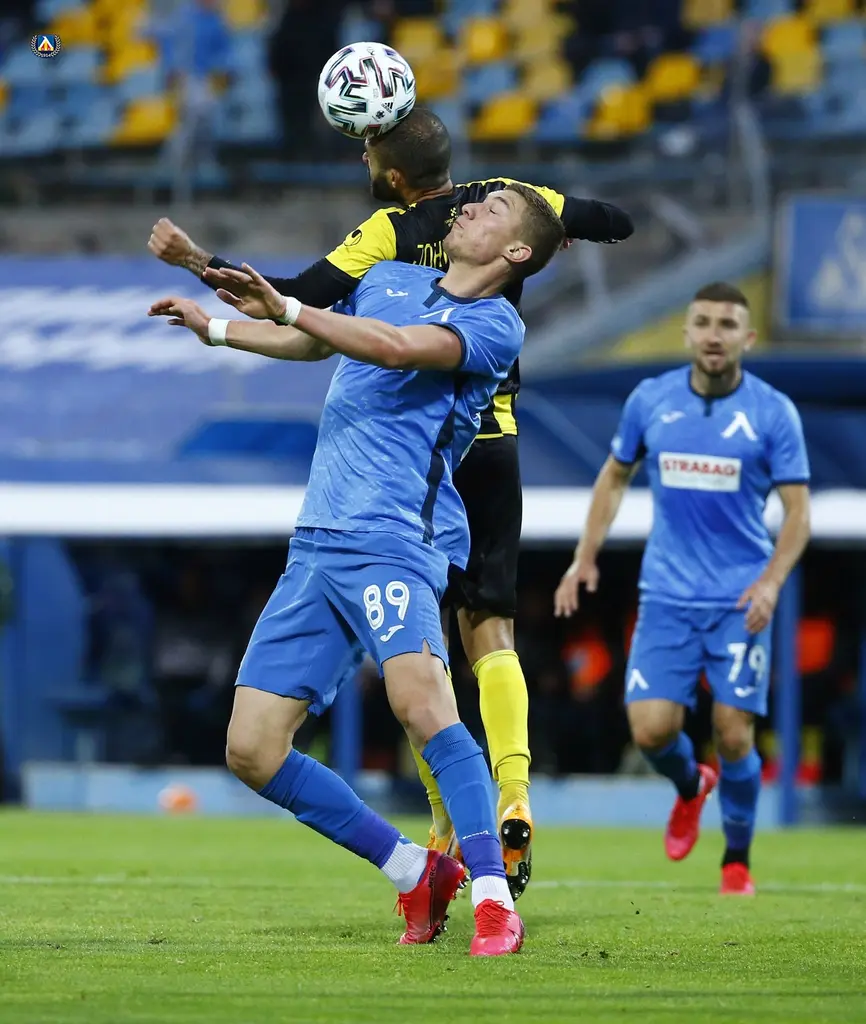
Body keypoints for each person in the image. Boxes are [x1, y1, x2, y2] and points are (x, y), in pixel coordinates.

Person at [147, 106, 634, 900]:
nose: (471, 207)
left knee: (426, 696)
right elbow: (312, 331)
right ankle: (424, 861)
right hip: (330, 531)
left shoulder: (485, 315)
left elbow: (374, 336)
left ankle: (491, 873)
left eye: (492, 208)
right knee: (260, 745)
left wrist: (220, 271)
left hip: (409, 513)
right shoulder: (399, 266)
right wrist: (217, 332)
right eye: (474, 200)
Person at [554, 282, 811, 895]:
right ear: (688, 331)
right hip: (667, 595)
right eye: (704, 322)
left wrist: (772, 583)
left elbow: (798, 513)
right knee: (650, 732)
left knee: (733, 732)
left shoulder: (773, 412)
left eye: (727, 324)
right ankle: (692, 785)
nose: (714, 334)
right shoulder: (651, 399)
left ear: (748, 337)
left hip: (740, 599)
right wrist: (584, 556)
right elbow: (614, 477)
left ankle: (736, 860)